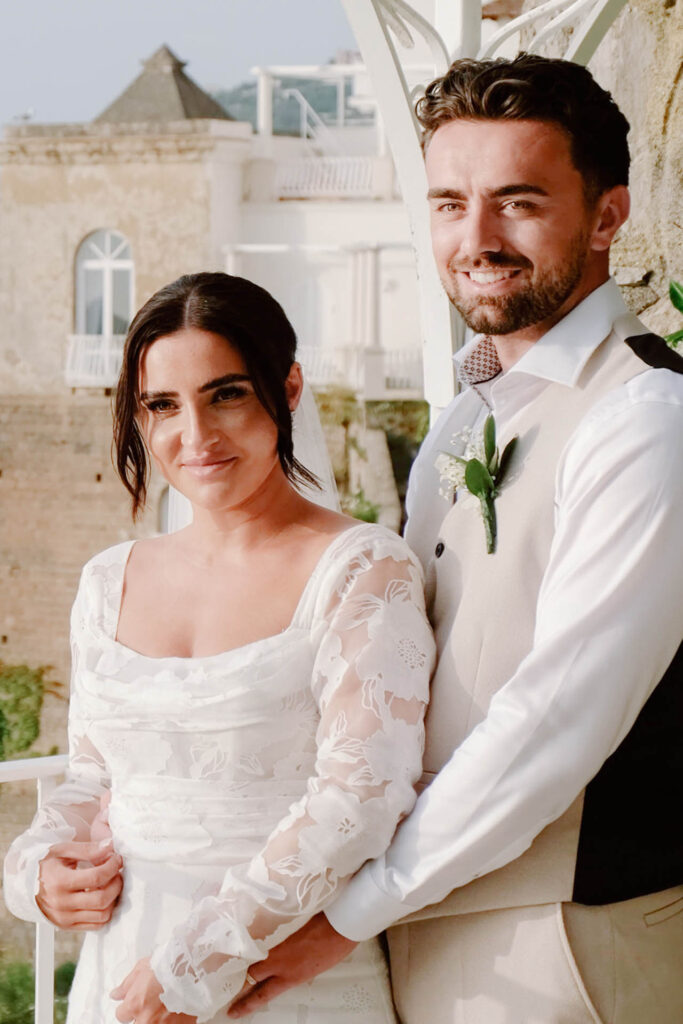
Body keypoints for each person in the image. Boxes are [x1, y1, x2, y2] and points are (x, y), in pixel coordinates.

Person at [227, 54, 683, 1024]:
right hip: (427, 919)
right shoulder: (458, 419)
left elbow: (552, 719)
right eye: (446, 203)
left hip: (567, 939)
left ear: (607, 215)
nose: (474, 238)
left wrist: (357, 907)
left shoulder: (645, 416)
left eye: (516, 201)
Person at [3, 272, 435, 1024]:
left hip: (280, 979)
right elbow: (93, 773)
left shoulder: (364, 568)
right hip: (121, 979)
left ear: (288, 387)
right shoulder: (109, 580)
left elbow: (360, 798)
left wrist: (199, 960)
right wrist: (38, 866)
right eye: (162, 405)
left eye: (226, 394)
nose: (194, 436)